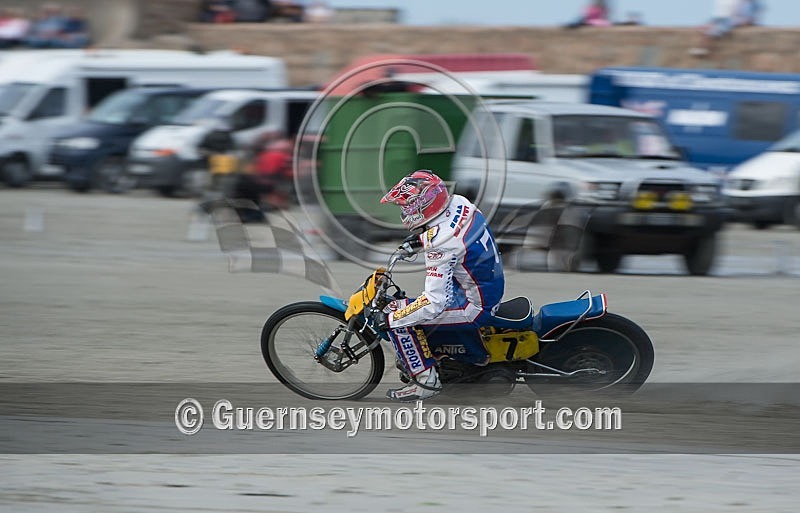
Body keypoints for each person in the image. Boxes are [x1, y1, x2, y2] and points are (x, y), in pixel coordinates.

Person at [373, 170, 505, 401]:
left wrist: (392, 319)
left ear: (422, 206)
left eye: (406, 208)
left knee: (395, 315)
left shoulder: (440, 243)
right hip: (486, 285)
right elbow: (453, 234)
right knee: (406, 311)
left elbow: (434, 303)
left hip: (474, 305)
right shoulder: (460, 204)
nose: (404, 213)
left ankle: (425, 383)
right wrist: (420, 239)